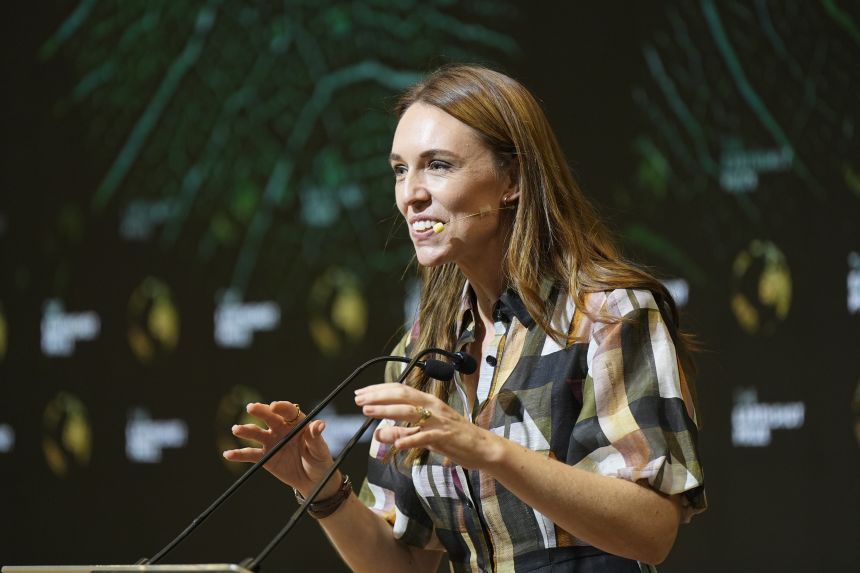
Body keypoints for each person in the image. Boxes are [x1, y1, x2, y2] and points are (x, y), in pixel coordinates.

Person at [223, 65, 706, 572]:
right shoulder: (422, 349)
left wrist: (483, 447)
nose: (410, 194)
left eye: (437, 165)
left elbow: (651, 530)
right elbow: (404, 566)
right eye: (399, 169)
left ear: (512, 181)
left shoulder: (609, 314)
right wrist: (321, 488)